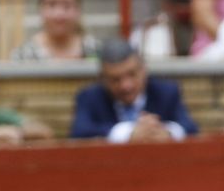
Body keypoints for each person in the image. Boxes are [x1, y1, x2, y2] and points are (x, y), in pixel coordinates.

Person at [70, 39, 200, 142]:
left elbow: (190, 128)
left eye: (132, 75)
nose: (126, 86)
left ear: (144, 70)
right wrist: (127, 133)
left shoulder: (167, 92)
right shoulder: (89, 97)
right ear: (103, 79)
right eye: (116, 79)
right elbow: (79, 133)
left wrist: (167, 132)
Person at [11, 0, 103, 61]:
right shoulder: (24, 55)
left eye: (67, 5)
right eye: (52, 5)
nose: (59, 14)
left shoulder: (96, 51)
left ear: (78, 9)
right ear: (40, 9)